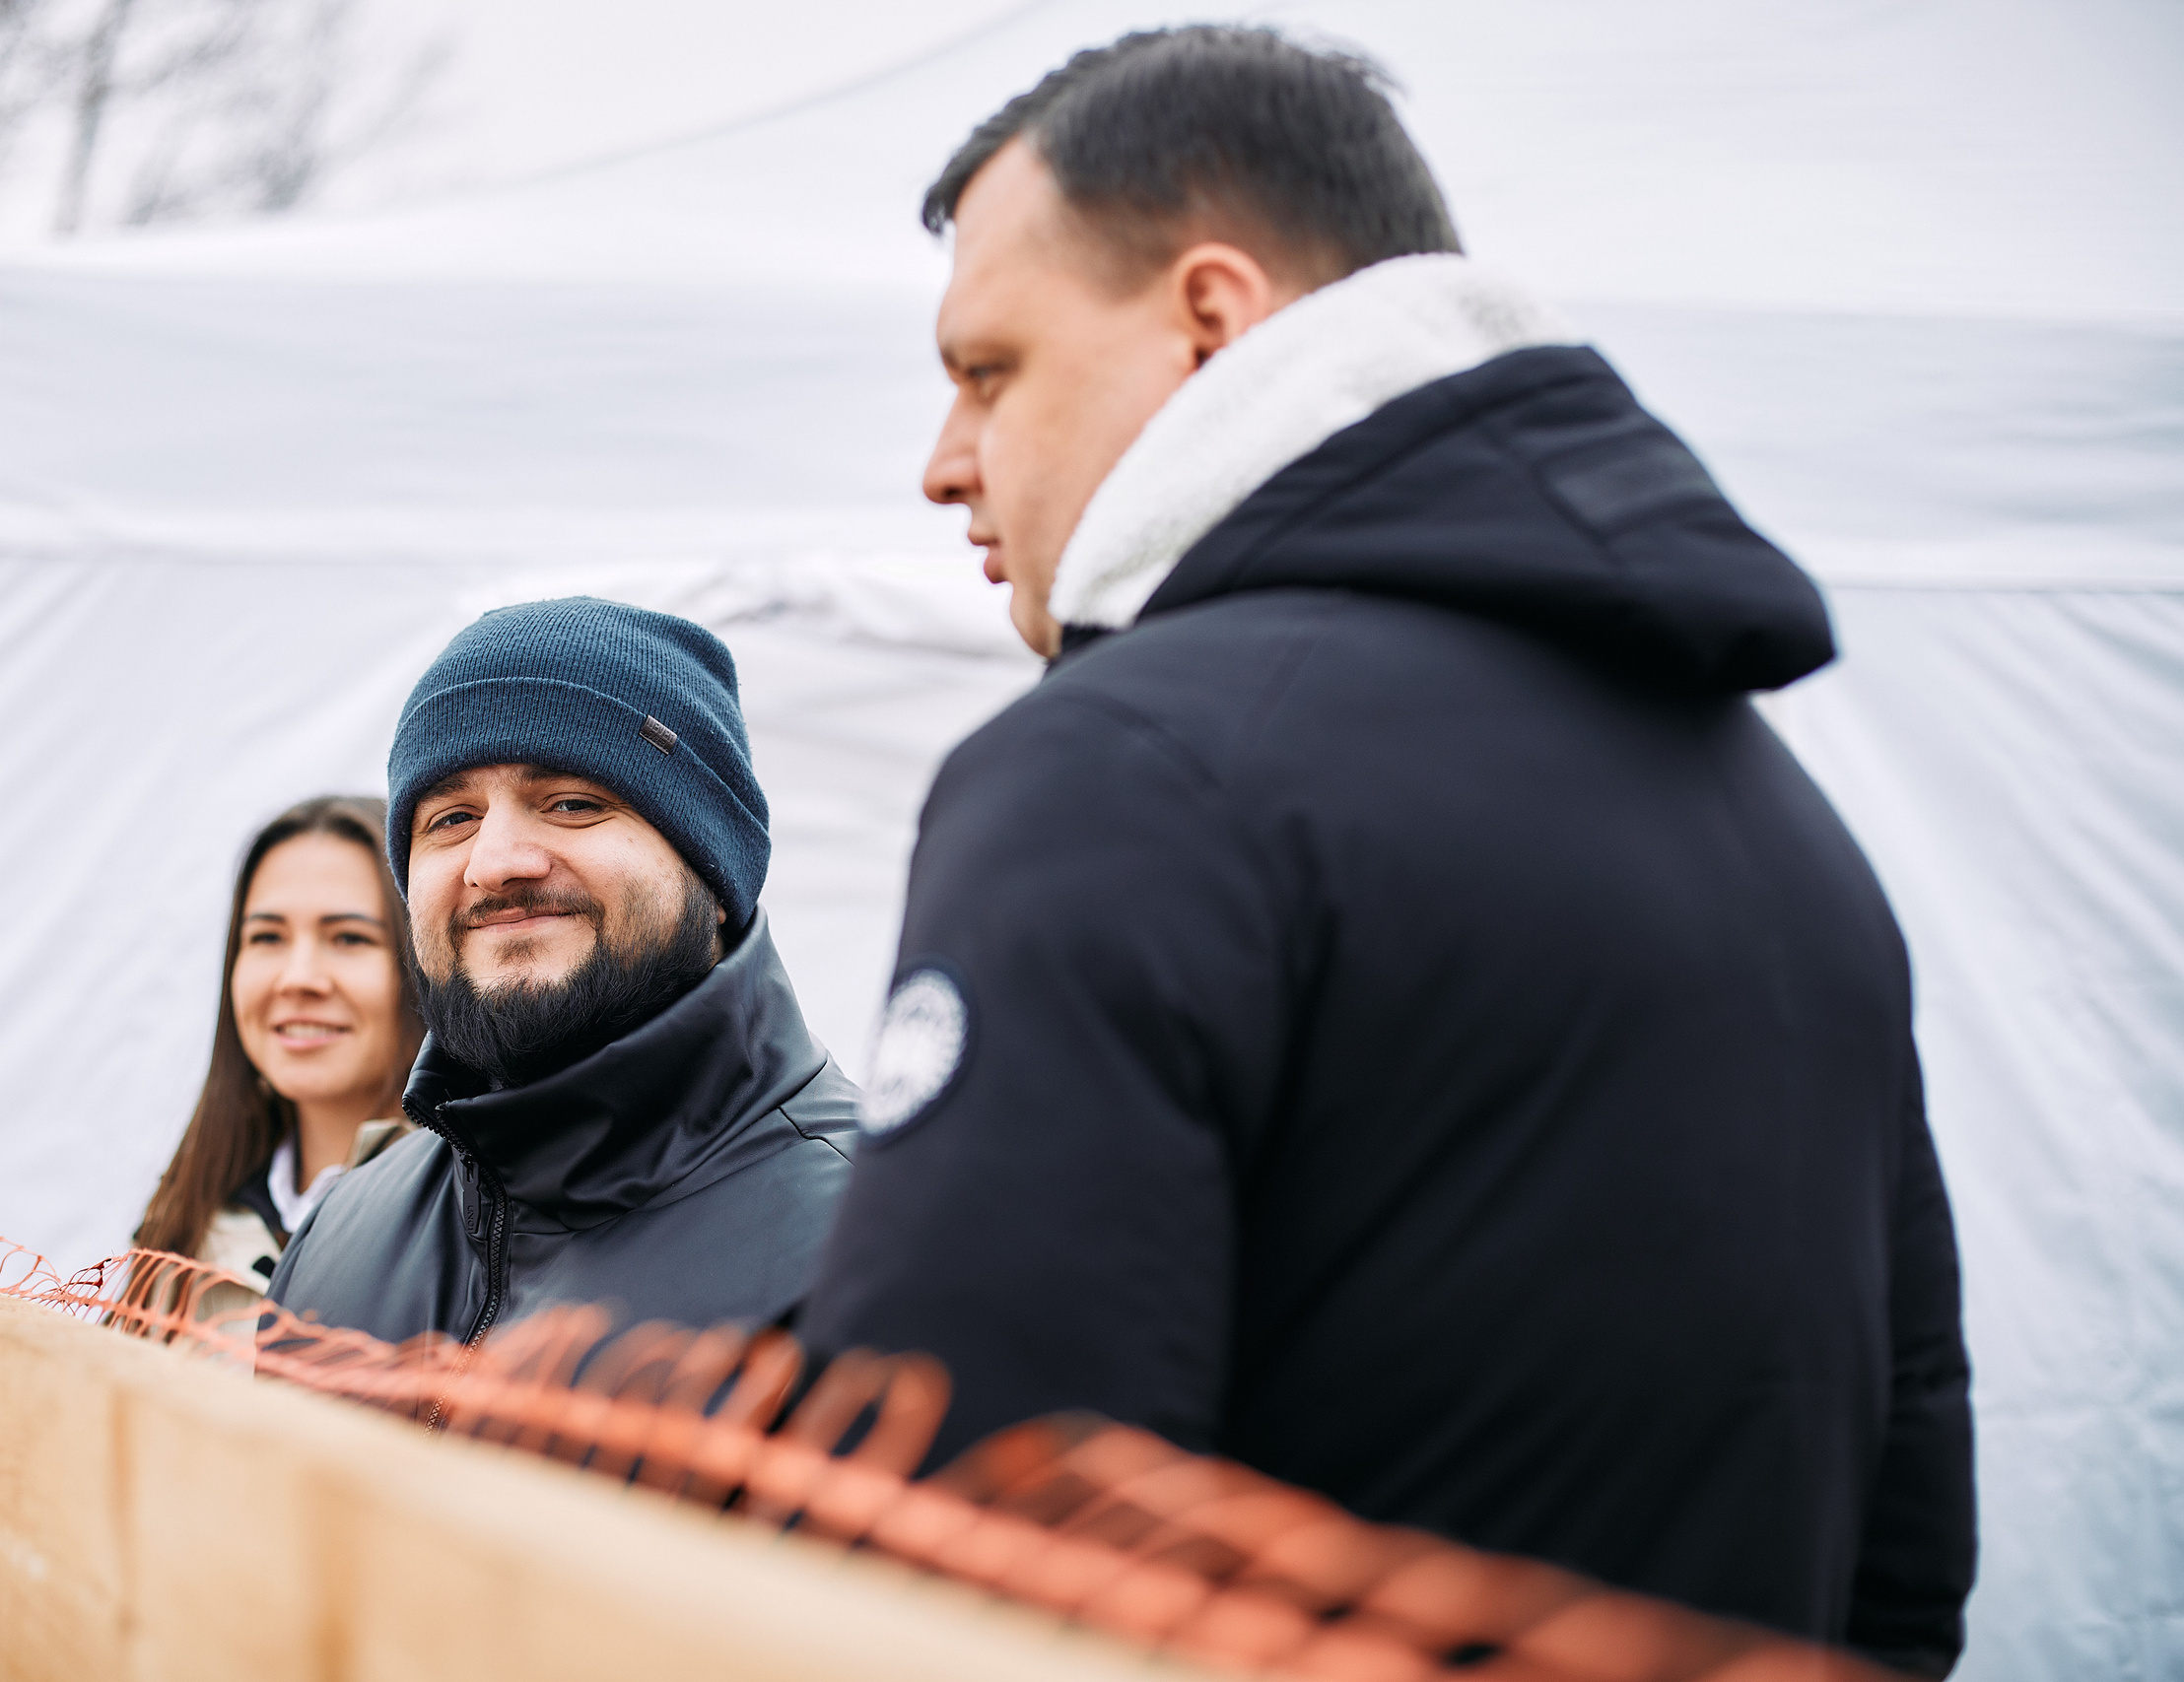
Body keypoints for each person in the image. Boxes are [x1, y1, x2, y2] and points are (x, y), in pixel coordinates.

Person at [800, 27, 1974, 1678]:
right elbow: (1905, 1534)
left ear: (1212, 320)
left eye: (988, 369)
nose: (944, 461)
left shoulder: (1121, 772)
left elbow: (956, 1522)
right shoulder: (1789, 827)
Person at [266, 598, 859, 1345]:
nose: (498, 863)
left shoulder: (882, 1238)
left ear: (715, 871)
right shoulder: (335, 1243)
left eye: (573, 803)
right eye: (452, 818)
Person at [135, 795, 424, 1312]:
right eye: (267, 936)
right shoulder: (184, 1222)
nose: (298, 979)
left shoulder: (474, 1221)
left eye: (350, 938)